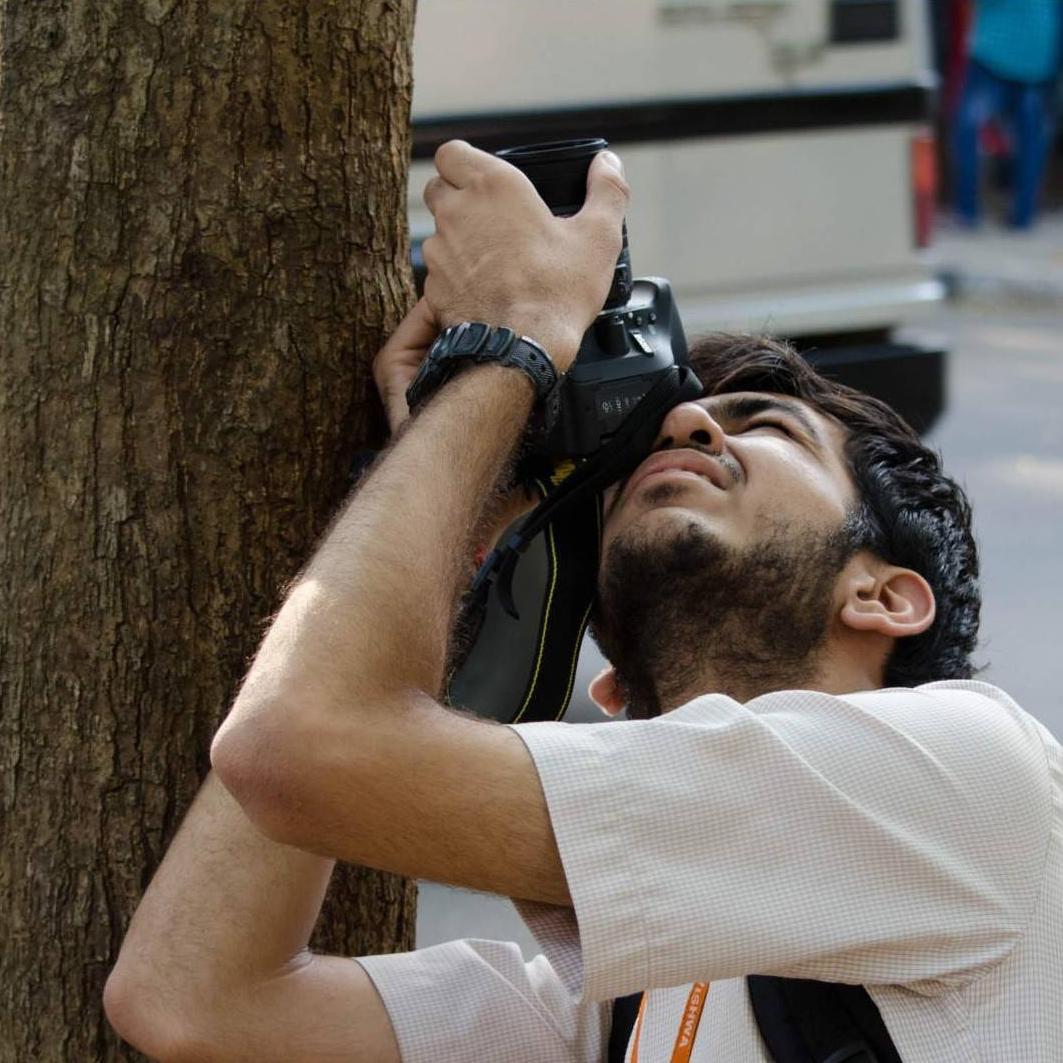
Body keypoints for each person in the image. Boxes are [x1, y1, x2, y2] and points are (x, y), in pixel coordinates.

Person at [104, 142, 1062, 1061]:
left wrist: (513, 338)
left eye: (766, 426)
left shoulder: (972, 777)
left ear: (885, 596)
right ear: (615, 702)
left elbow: (299, 746)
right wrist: (473, 483)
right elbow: (192, 993)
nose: (683, 423)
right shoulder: (630, 1001)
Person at [951, 0, 1063, 228]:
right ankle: (1022, 216)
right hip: (1038, 58)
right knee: (1032, 140)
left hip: (997, 56)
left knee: (968, 129)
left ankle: (967, 212)